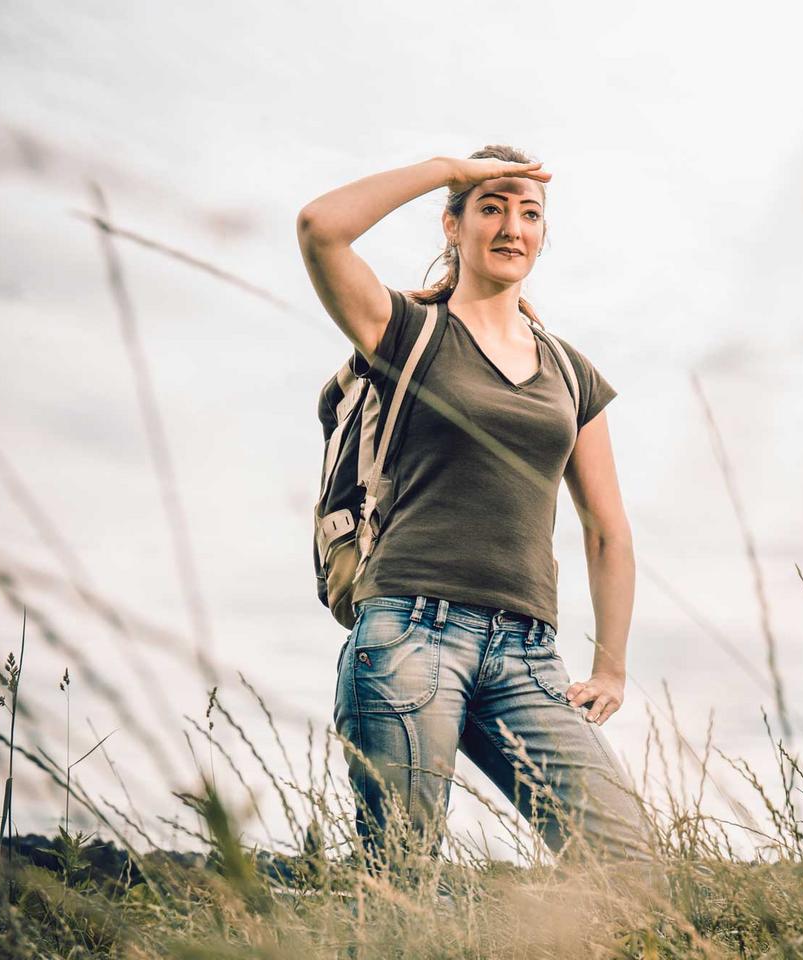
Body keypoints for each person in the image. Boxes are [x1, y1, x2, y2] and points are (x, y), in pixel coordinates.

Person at [295, 146, 656, 870]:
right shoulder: (404, 330)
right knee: (402, 876)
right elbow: (319, 228)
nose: (512, 226)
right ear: (452, 226)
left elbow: (607, 531)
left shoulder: (571, 373)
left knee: (627, 859)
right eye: (490, 206)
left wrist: (610, 668)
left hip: (527, 654)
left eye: (530, 213)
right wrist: (445, 167)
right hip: (408, 631)